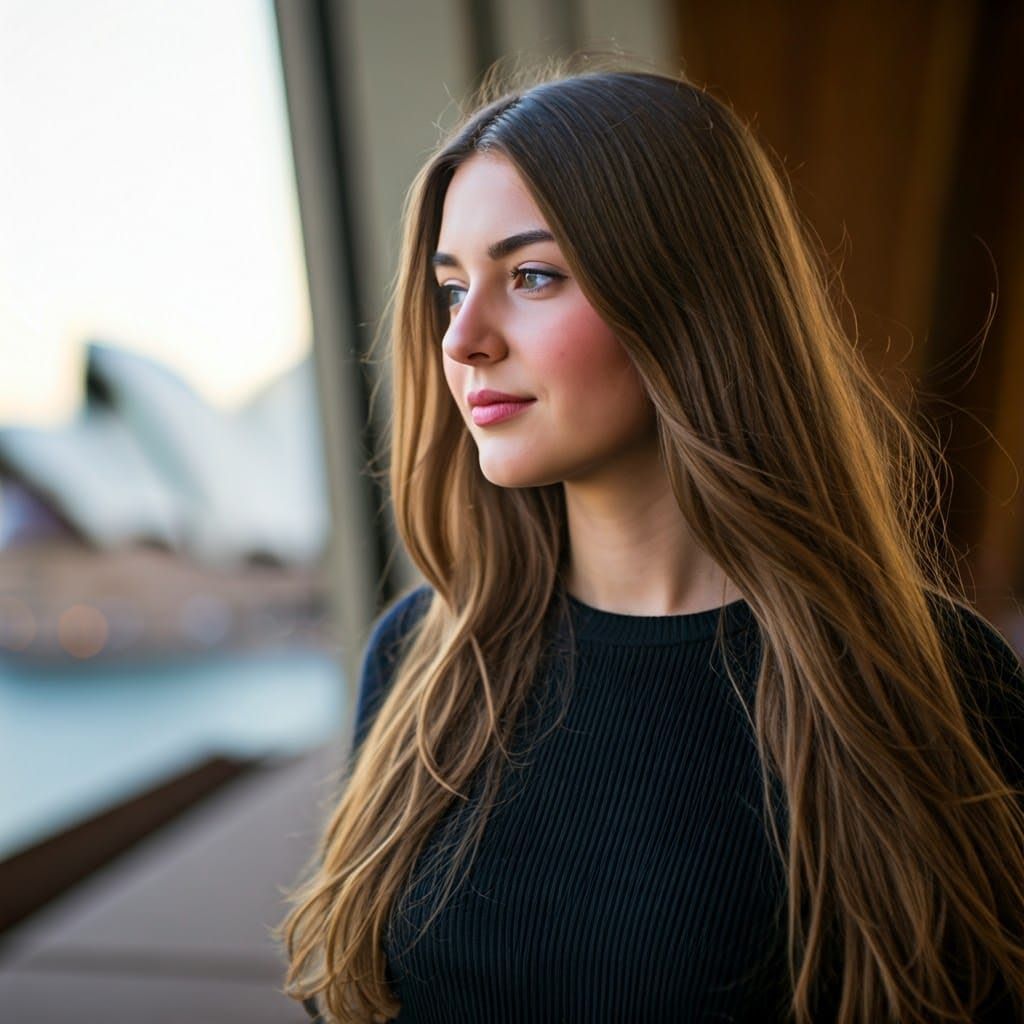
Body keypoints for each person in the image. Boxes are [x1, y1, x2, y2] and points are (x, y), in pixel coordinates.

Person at [279, 62, 1024, 1023]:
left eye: (533, 276)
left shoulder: (920, 678)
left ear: (688, 297)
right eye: (451, 287)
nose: (462, 339)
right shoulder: (424, 658)